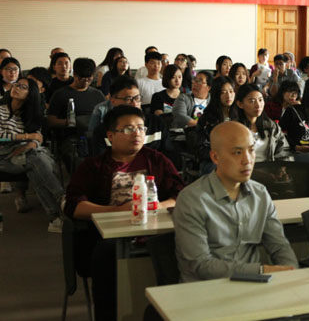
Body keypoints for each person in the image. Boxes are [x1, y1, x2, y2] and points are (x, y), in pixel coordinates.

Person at [64, 105, 184, 320]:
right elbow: (74, 206)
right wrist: (117, 210)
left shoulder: (157, 160)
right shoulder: (93, 166)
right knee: (107, 254)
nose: (137, 134)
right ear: (110, 136)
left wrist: (155, 206)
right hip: (110, 236)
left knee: (177, 249)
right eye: (129, 129)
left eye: (141, 128)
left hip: (155, 231)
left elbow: (180, 196)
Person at [173, 121, 297, 282]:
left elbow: (279, 246)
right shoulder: (192, 199)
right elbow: (200, 265)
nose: (247, 160)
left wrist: (291, 272)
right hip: (207, 289)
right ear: (215, 157)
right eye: (237, 153)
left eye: (251, 150)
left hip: (253, 285)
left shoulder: (260, 193)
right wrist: (261, 271)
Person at [0, 77, 64, 231]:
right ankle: (61, 198)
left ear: (31, 94)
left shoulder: (31, 115)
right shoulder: (1, 110)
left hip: (24, 155)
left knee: (34, 166)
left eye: (23, 87)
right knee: (36, 160)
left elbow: (38, 137)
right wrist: (26, 137)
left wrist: (31, 144)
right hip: (4, 157)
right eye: (17, 85)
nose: (17, 88)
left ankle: (55, 219)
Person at [88, 75, 168, 157]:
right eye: (128, 99)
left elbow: (169, 156)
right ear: (113, 101)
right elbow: (100, 162)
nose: (135, 104)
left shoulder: (157, 124)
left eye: (137, 98)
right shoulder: (103, 131)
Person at [234, 83, 292, 163]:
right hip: (244, 169)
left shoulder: (271, 126)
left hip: (269, 169)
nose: (258, 105)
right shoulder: (233, 129)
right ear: (240, 104)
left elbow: (283, 151)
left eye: (260, 100)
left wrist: (283, 167)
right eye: (252, 101)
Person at [197, 77, 238, 174]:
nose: (228, 96)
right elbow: (202, 147)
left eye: (231, 91)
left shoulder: (239, 115)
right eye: (223, 92)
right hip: (214, 160)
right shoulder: (207, 119)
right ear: (216, 94)